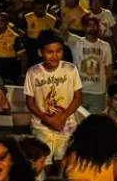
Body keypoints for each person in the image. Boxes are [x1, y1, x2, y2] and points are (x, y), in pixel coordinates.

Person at [23, 32, 83, 163]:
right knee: (44, 161)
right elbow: (30, 101)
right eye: (50, 52)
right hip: (42, 127)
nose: (55, 56)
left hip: (66, 125)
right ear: (40, 53)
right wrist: (48, 120)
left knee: (64, 161)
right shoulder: (33, 73)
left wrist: (62, 117)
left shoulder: (70, 69)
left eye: (58, 51)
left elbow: (78, 97)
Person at [68, 14, 113, 115]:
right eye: (89, 25)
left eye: (94, 25)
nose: (92, 28)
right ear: (84, 27)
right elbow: (62, 32)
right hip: (79, 90)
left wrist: (108, 93)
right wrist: (70, 21)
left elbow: (109, 71)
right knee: (78, 123)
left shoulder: (105, 46)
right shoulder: (76, 42)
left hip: (98, 92)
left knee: (94, 124)